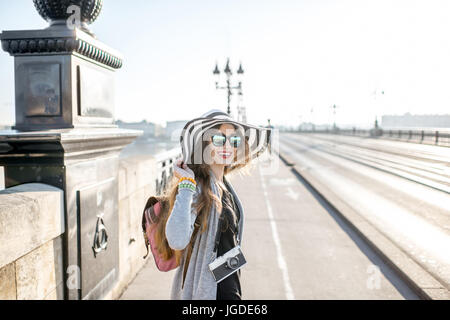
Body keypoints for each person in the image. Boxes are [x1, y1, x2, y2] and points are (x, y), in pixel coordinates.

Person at [153, 110, 271, 300]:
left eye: (234, 141)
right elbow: (176, 239)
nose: (227, 146)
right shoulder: (198, 188)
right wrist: (185, 184)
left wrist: (233, 291)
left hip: (226, 288)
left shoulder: (224, 186)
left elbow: (227, 247)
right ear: (204, 145)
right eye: (218, 139)